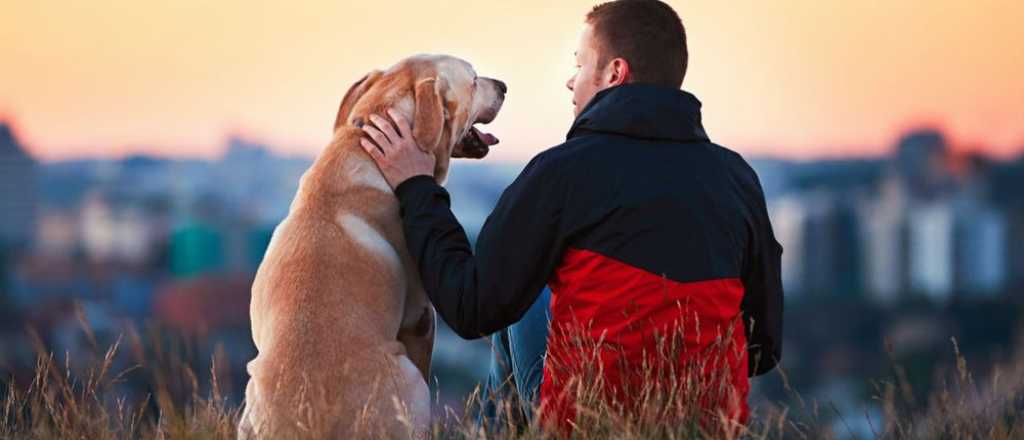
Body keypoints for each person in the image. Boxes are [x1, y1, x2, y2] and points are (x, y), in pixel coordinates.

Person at [359, 0, 783, 433]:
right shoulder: (737, 179)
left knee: (518, 303)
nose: (570, 80)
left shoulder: (562, 172)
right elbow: (763, 348)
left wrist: (417, 187)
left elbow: (470, 307)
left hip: (587, 425)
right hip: (707, 427)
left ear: (614, 74)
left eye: (580, 65)